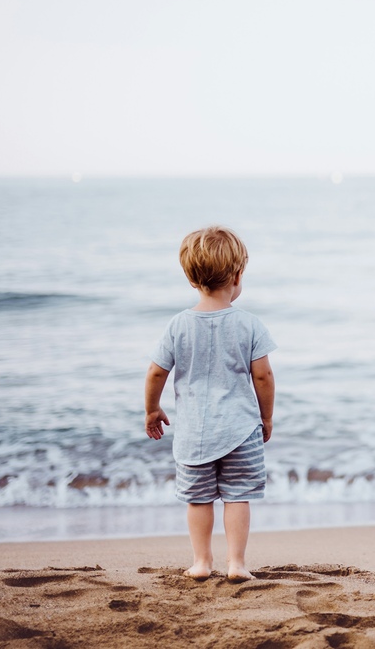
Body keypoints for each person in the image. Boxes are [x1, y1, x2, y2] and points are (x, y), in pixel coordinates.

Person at [144, 226, 276, 582]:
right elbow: (262, 376)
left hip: (192, 434)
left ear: (191, 279)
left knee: (198, 500)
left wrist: (152, 409)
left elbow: (156, 373)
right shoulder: (249, 324)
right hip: (240, 430)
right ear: (237, 276)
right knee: (237, 497)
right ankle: (237, 564)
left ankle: (202, 562)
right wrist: (266, 417)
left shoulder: (178, 326)